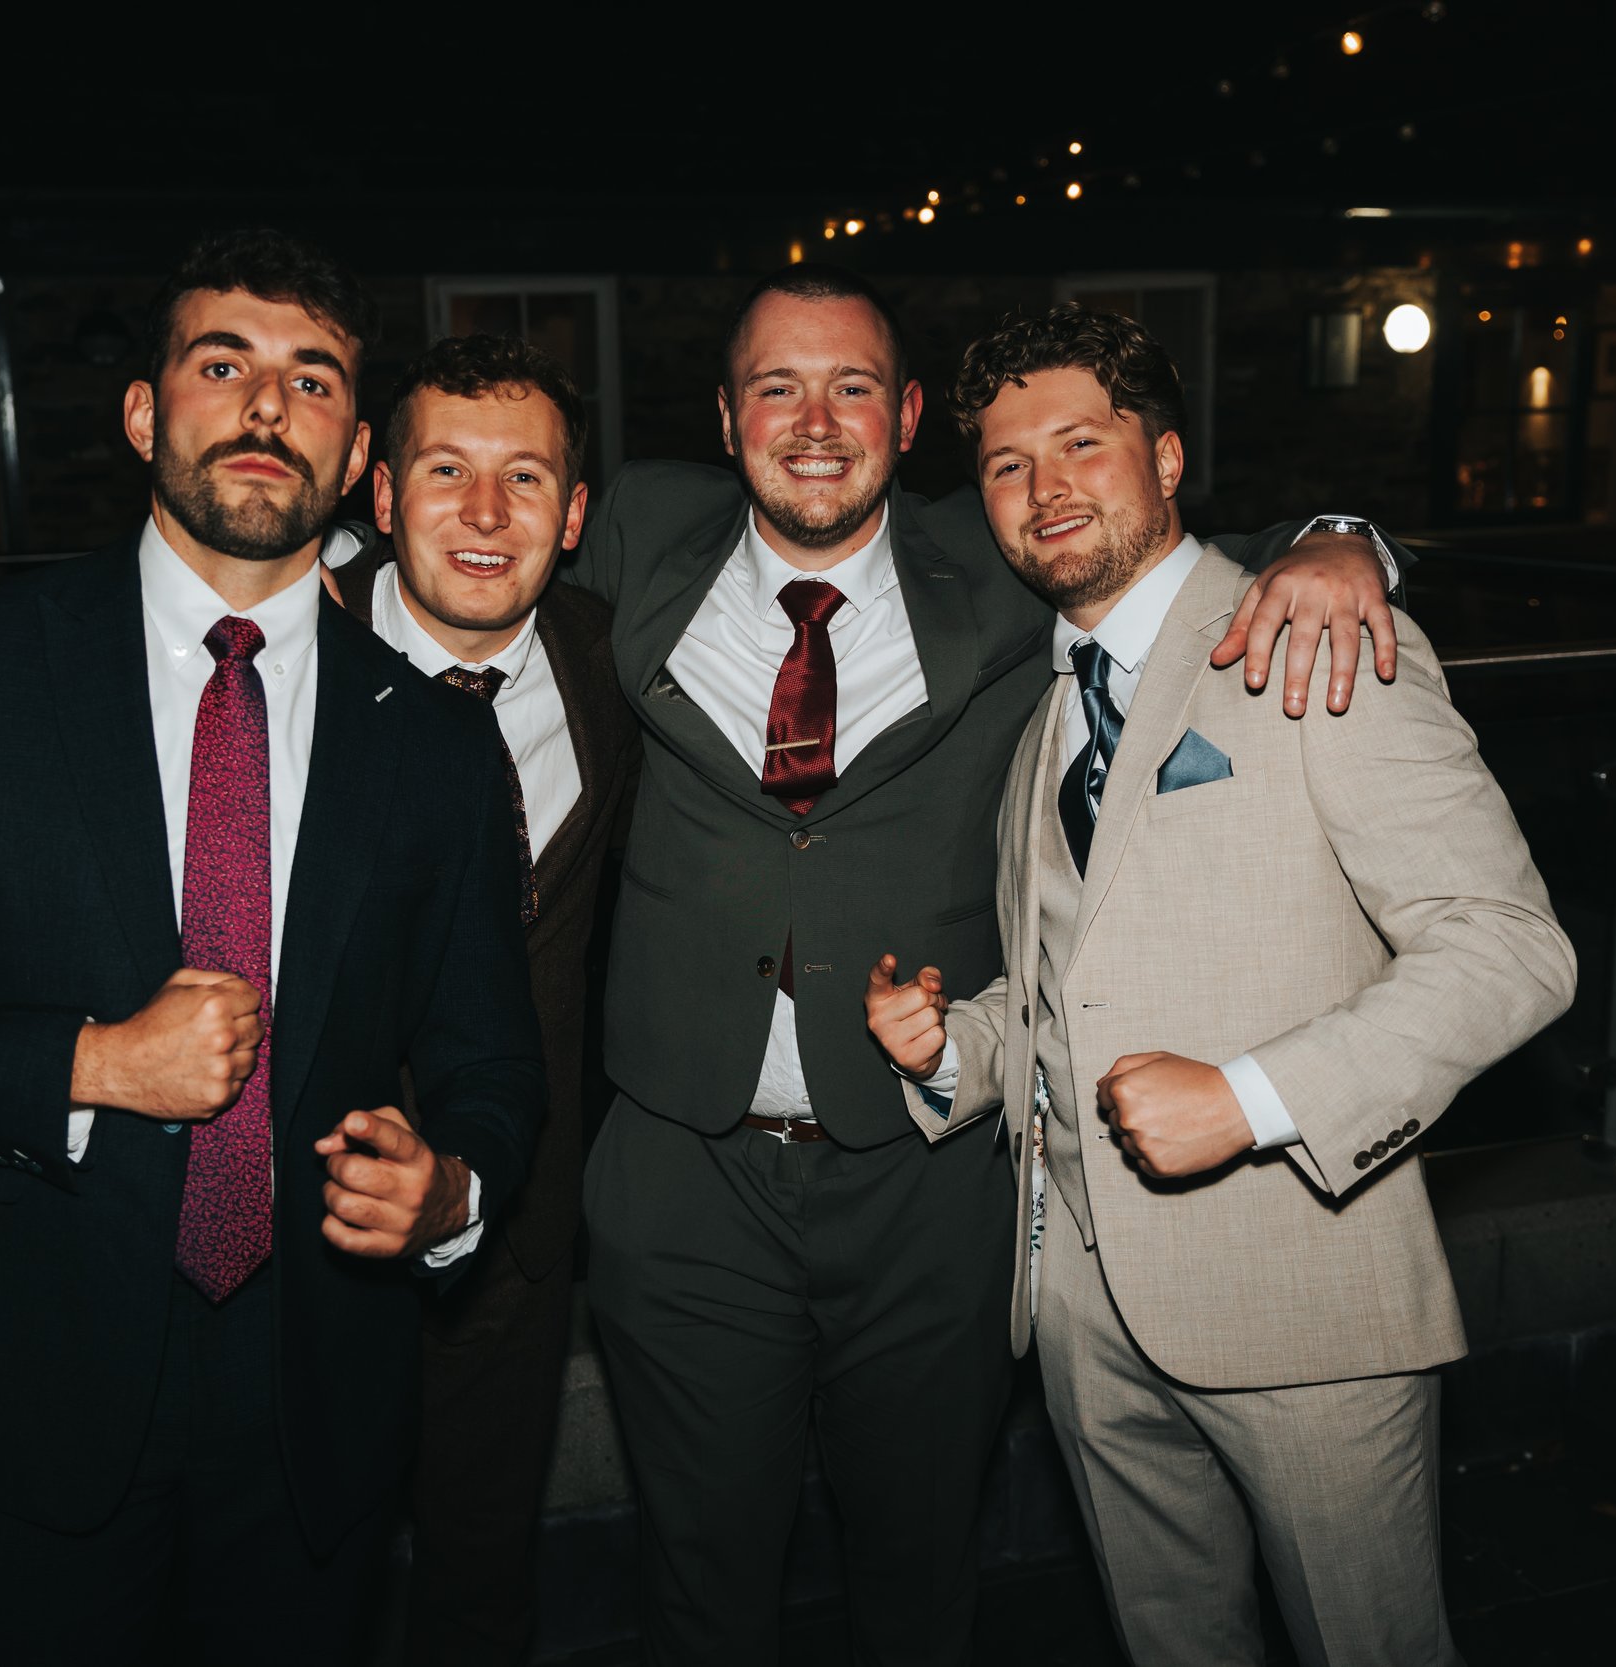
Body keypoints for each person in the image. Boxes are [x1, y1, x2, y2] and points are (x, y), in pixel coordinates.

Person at [563, 263, 1410, 1665]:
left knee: (920, 1565)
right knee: (701, 1576)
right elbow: (458, 544)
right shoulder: (645, 531)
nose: (815, 421)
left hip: (929, 1167)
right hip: (678, 1168)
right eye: (778, 385)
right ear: (724, 416)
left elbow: (1187, 544)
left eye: (852, 388)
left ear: (905, 418)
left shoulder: (1006, 562)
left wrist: (1338, 539)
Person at [0, 228, 545, 1663]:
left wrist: (452, 1194)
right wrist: (88, 1064)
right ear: (145, 414)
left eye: (312, 380)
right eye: (223, 364)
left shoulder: (436, 742)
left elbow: (492, 1055)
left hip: (315, 1404)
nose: (267, 406)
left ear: (356, 446)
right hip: (29, 1388)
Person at [865, 304, 1575, 1666]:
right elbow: (1068, 994)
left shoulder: (1311, 633)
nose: (1047, 486)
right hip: (1078, 1310)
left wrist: (1253, 1099)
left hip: (1303, 1298)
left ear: (1171, 456)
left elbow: (1508, 947)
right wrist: (952, 1047)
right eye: (1009, 464)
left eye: (1084, 441)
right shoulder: (1043, 721)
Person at [323, 334, 639, 1664]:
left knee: (481, 1576)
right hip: (291, 1218)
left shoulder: (614, 657)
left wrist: (1341, 539)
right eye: (446, 470)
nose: (487, 513)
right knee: (290, 1578)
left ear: (574, 516)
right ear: (380, 496)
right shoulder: (266, 657)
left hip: (510, 1218)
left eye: (527, 478)